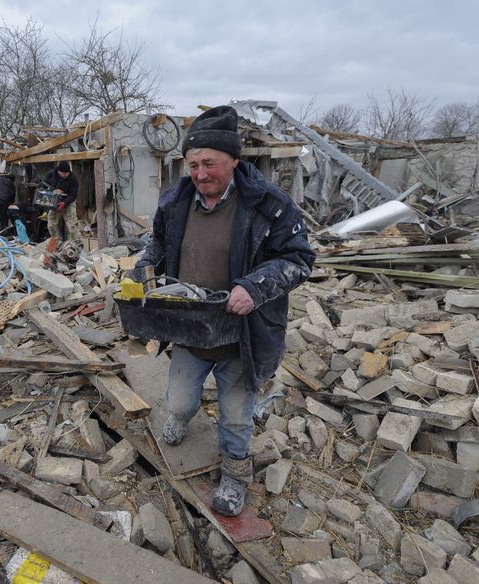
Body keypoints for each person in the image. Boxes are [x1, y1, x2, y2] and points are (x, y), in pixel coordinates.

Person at [136, 105, 315, 516]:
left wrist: (255, 287)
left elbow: (300, 259)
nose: (200, 173)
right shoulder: (175, 201)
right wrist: (145, 265)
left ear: (234, 160)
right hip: (189, 328)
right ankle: (183, 416)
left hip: (243, 335)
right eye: (193, 164)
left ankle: (235, 473)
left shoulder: (268, 204)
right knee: (179, 403)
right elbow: (157, 245)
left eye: (209, 163)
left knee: (236, 418)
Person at [44, 161, 81, 243]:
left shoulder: (73, 179)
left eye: (67, 173)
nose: (65, 175)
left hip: (68, 201)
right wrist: (54, 190)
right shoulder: (51, 174)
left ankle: (78, 245)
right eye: (63, 173)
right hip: (54, 201)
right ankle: (56, 243)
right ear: (58, 171)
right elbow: (44, 185)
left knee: (72, 225)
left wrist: (64, 203)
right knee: (51, 224)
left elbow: (73, 195)